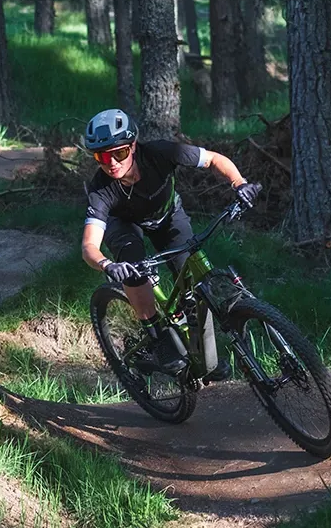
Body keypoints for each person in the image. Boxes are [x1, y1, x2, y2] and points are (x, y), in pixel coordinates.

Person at [77, 109, 262, 379]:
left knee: (197, 283)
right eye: (101, 157)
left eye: (118, 153)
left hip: (168, 216)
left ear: (133, 146)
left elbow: (212, 159)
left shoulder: (160, 153)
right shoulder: (101, 190)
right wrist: (107, 265)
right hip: (125, 226)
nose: (111, 163)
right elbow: (88, 246)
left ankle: (202, 356)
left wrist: (240, 184)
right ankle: (157, 338)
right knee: (135, 271)